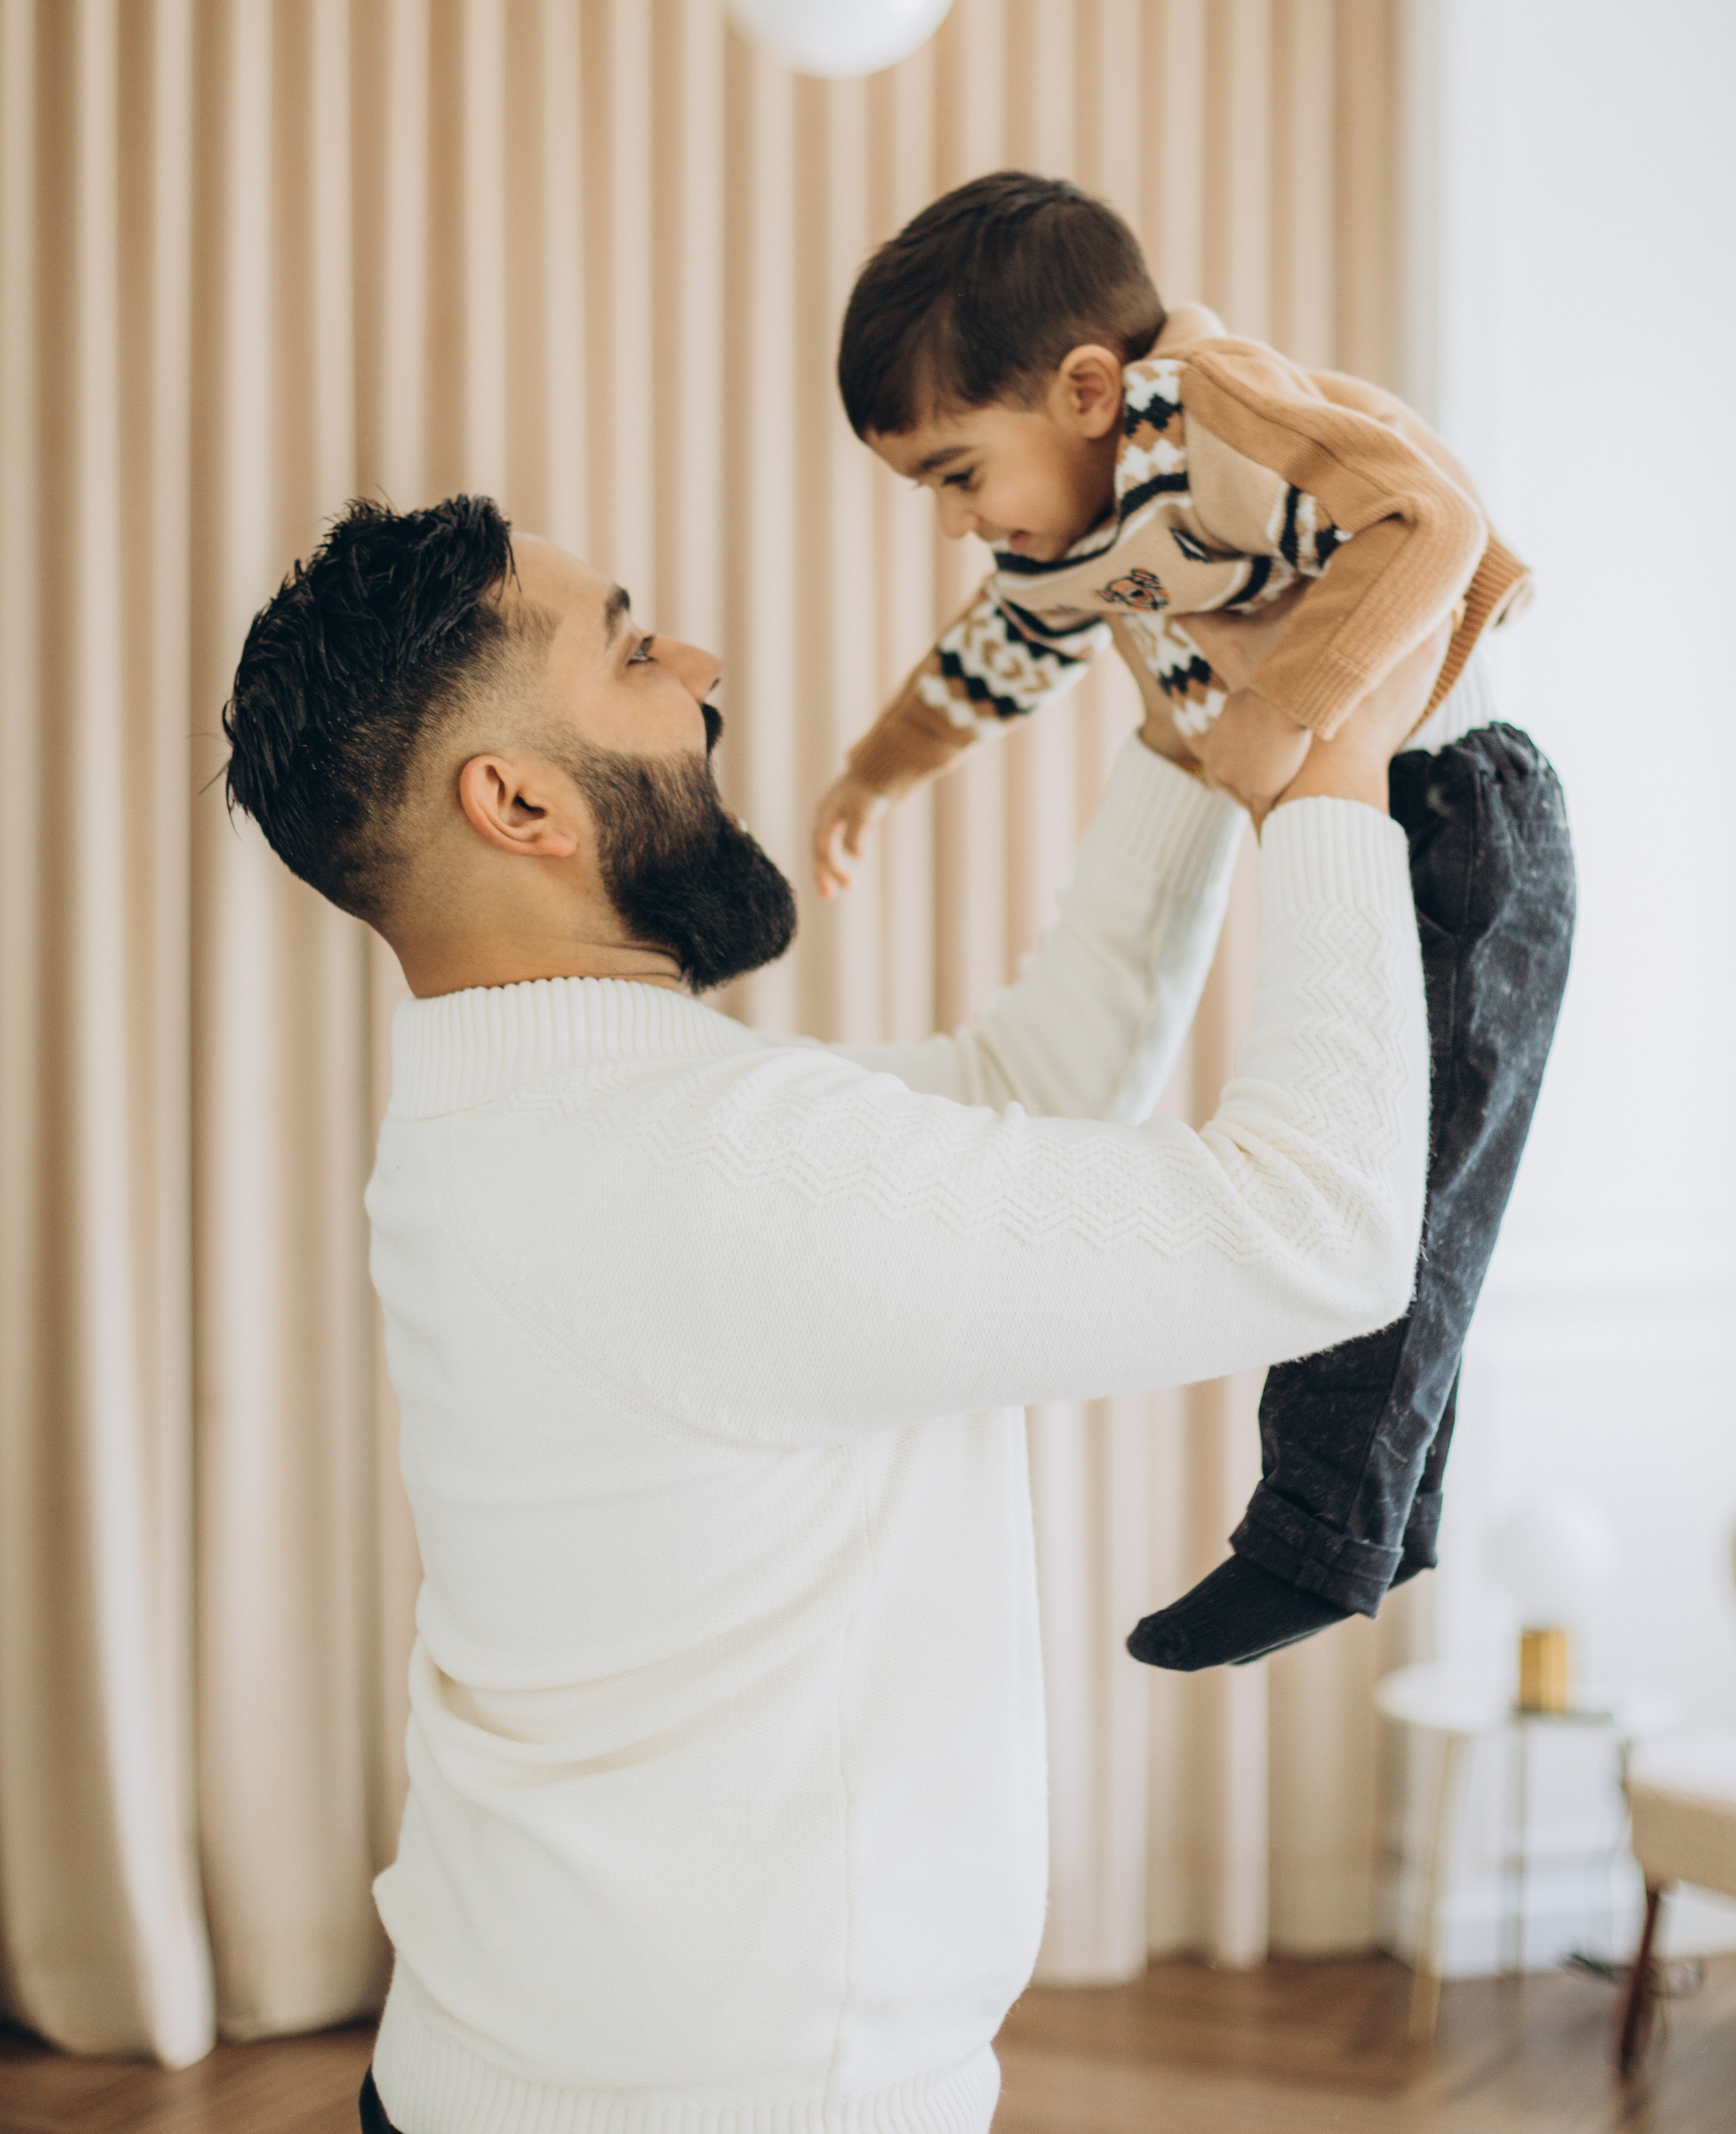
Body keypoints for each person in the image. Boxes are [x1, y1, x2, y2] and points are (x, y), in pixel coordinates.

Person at [222, 492, 1435, 2134]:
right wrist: (1336, 757)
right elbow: (1320, 1230)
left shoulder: (517, 1122)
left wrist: (1184, 750)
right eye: (631, 652)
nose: (700, 668)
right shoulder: (705, 1170)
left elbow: (1023, 1085)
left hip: (513, 2073)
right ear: (517, 803)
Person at [816, 172, 1575, 1674]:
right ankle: (1385, 1520)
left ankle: (1315, 1539)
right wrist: (874, 771)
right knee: (1413, 1194)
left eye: (959, 475)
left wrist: (1285, 709)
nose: (960, 523)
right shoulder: (1081, 538)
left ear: (1089, 391)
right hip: (1376, 817)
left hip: (1465, 813)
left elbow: (1430, 518)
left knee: (1401, 1188)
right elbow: (991, 658)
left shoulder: (1219, 416)